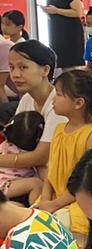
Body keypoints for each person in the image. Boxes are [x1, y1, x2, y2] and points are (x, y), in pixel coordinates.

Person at [36, 70, 92, 245]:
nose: (53, 99)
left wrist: (55, 205)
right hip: (55, 200)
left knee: (46, 232)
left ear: (78, 103)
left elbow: (88, 183)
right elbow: (52, 171)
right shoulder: (58, 130)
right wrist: (45, 199)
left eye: (58, 94)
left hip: (79, 204)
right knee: (26, 221)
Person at [2, 42, 66, 173]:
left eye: (23, 67)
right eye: (11, 67)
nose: (15, 74)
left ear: (45, 70)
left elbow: (41, 156)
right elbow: (16, 141)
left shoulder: (59, 104)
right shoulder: (27, 99)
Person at [43, 0, 85, 73]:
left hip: (70, 32)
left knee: (70, 65)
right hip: (57, 31)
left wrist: (57, 11)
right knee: (59, 62)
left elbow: (77, 12)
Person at [0, 111, 44, 204]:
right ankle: (36, 211)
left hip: (5, 182)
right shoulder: (30, 155)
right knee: (37, 184)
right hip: (4, 184)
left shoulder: (5, 144)